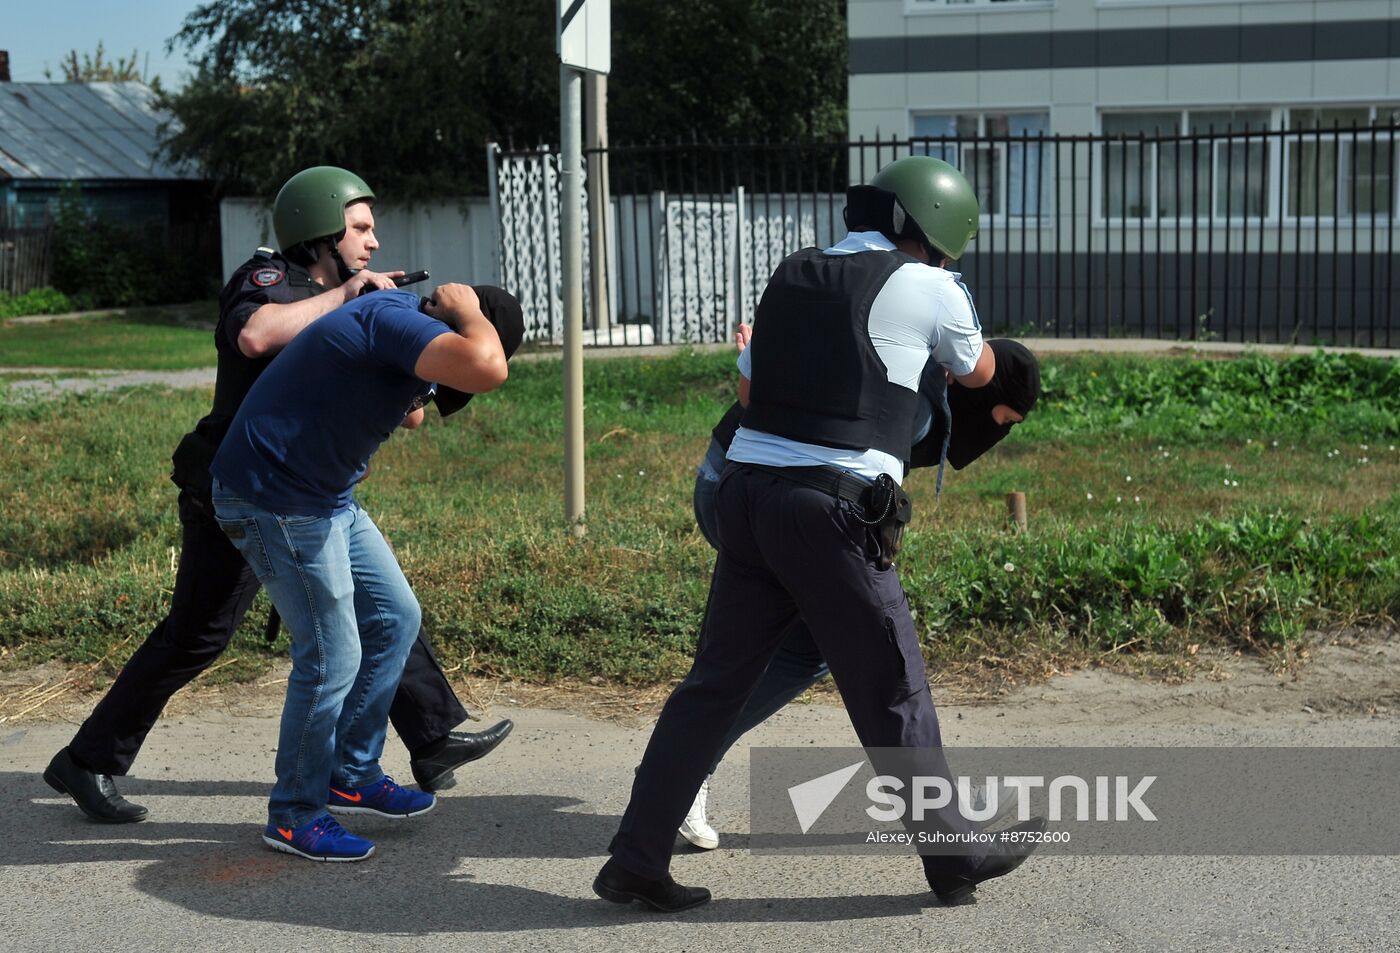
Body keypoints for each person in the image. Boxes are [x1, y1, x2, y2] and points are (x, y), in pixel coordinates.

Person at [594, 156, 1045, 911]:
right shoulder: (932, 287)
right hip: (829, 512)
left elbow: (748, 387)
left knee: (711, 686)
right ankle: (955, 855)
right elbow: (977, 372)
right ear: (932, 232)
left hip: (745, 494)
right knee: (892, 685)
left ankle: (636, 859)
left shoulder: (792, 270)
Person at [43, 167, 511, 825]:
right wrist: (349, 295)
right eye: (360, 227)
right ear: (318, 229)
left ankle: (423, 741)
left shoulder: (356, 299)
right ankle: (89, 759)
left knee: (383, 609)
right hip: (236, 485)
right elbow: (254, 336)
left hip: (306, 487)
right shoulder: (267, 280)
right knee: (200, 636)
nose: (374, 242)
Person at [678, 333, 1041, 850]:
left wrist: (773, 357)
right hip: (769, 502)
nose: (994, 434)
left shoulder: (919, 380)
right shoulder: (918, 403)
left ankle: (677, 777)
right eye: (1002, 420)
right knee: (868, 657)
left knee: (795, 650)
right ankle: (946, 831)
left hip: (744, 491)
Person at [211, 280, 517, 861]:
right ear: (453, 320)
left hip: (324, 497)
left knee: (396, 616)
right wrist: (471, 316)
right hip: (274, 499)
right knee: (332, 655)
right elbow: (486, 367)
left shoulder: (401, 330)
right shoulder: (399, 319)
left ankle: (349, 771)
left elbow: (410, 410)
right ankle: (294, 814)